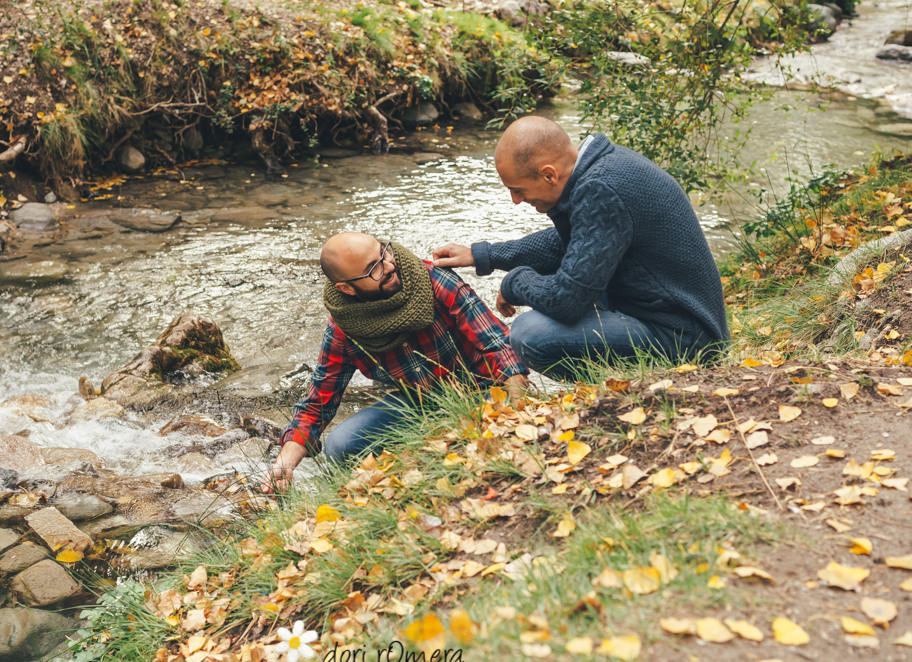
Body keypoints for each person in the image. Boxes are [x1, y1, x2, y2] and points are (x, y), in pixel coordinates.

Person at [432, 116, 729, 378]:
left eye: (518, 189)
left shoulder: (600, 190)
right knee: (573, 282)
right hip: (675, 318)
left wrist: (514, 282)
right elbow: (568, 245)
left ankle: (612, 389)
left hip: (686, 341)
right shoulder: (599, 167)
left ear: (549, 174)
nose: (516, 200)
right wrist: (483, 255)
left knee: (528, 334)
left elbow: (565, 303)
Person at [261, 232, 529, 493]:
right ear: (346, 288)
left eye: (383, 252)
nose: (389, 265)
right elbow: (318, 403)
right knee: (340, 446)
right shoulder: (344, 330)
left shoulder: (434, 281)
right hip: (419, 403)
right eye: (374, 268)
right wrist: (284, 462)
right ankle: (403, 474)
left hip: (484, 391)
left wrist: (519, 414)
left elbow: (498, 344)